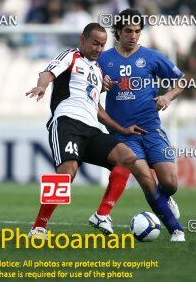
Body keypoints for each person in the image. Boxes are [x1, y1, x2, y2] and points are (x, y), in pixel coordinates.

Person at [25, 23, 148, 239]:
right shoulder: (71, 56)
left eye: (102, 45)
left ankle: (102, 214)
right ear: (82, 40)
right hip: (67, 122)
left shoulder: (99, 71)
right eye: (95, 43)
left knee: (127, 157)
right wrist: (42, 86)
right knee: (67, 173)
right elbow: (48, 73)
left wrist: (121, 129)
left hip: (92, 129)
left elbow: (97, 108)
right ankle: (39, 227)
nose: (99, 49)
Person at [98, 8, 186, 241]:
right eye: (128, 31)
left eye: (137, 31)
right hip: (123, 135)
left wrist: (167, 96)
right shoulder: (103, 59)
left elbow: (182, 80)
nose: (133, 35)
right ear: (118, 31)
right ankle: (176, 229)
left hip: (151, 128)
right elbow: (88, 89)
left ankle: (166, 199)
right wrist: (101, 86)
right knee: (147, 180)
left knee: (169, 183)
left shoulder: (152, 57)